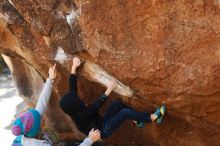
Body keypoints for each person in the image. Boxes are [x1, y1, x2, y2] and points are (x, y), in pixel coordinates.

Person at [59, 57, 166, 139]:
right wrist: (109, 89)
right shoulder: (80, 116)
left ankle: (137, 121)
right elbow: (96, 106)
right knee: (125, 112)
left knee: (116, 104)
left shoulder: (74, 109)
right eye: (74, 99)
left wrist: (74, 67)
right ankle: (152, 118)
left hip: (102, 122)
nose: (75, 96)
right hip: (104, 130)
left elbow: (72, 88)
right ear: (73, 105)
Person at [11, 64, 57, 146]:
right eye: (40, 118)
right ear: (38, 127)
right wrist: (88, 140)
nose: (42, 116)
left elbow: (42, 103)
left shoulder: (25, 133)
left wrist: (50, 79)